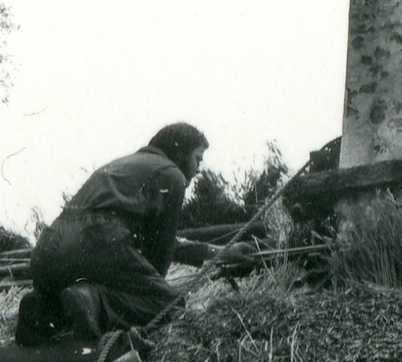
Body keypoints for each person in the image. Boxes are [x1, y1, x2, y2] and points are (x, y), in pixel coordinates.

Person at [14, 122, 254, 347]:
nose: (199, 168)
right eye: (197, 159)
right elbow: (161, 252)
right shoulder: (172, 175)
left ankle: (43, 307)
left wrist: (222, 253)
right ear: (180, 153)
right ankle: (94, 301)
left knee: (74, 289)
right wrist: (154, 286)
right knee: (168, 304)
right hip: (98, 241)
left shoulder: (124, 167)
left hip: (48, 248)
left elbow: (159, 241)